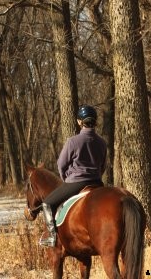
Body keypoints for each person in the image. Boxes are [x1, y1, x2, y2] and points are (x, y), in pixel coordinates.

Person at [39, 105, 107, 247]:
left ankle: (51, 237)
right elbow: (103, 166)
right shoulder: (102, 142)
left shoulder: (73, 141)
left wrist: (66, 180)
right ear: (95, 121)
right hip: (97, 183)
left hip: (76, 183)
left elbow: (61, 164)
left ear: (79, 122)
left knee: (47, 204)